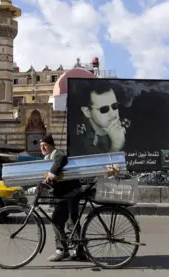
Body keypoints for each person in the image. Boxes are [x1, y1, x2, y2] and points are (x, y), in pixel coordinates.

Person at [40, 134, 86, 262]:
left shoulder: (57, 153)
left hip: (70, 192)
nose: (42, 147)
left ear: (51, 145)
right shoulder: (47, 158)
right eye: (41, 145)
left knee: (60, 220)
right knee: (72, 221)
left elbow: (62, 158)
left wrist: (51, 174)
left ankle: (62, 250)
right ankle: (79, 251)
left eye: (45, 145)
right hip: (66, 193)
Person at [74, 82, 127, 154]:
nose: (112, 114)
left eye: (115, 106)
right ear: (87, 112)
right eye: (104, 109)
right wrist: (116, 146)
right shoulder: (79, 137)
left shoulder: (129, 127)